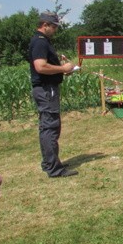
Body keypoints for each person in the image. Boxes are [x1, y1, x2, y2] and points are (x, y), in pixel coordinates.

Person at [28, 12, 78, 178]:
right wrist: (63, 69)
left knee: (48, 126)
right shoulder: (40, 42)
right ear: (45, 25)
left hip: (47, 87)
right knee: (50, 127)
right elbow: (40, 67)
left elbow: (46, 67)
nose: (55, 29)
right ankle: (54, 168)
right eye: (54, 26)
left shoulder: (41, 41)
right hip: (46, 89)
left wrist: (63, 72)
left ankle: (50, 162)